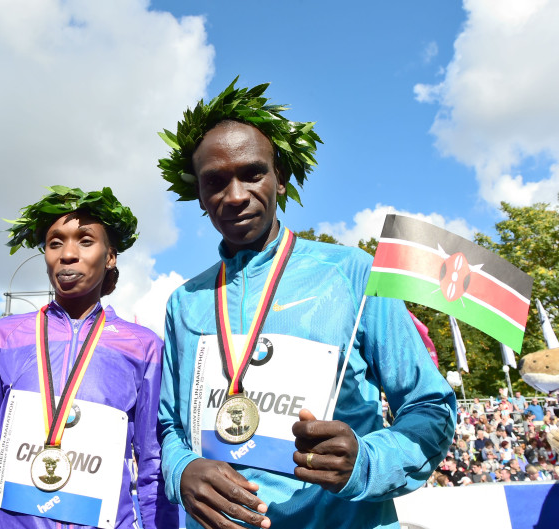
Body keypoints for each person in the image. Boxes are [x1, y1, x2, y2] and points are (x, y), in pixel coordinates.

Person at [156, 79, 456, 529]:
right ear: (198, 195)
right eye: (215, 181)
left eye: (252, 173)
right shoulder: (185, 302)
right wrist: (182, 471)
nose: (235, 195)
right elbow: (169, 428)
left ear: (280, 178)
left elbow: (429, 406)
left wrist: (366, 461)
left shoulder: (355, 272)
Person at [0, 186, 177, 529]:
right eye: (55, 243)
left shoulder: (144, 346)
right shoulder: (4, 336)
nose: (67, 254)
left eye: (85, 240)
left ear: (110, 255)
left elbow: (153, 466)